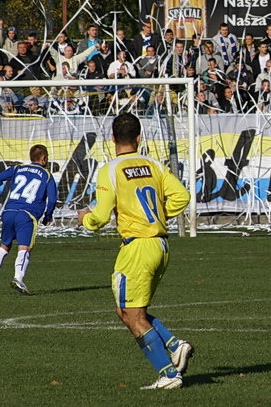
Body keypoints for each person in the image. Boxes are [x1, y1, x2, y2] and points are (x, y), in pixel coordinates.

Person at [77, 113, 193, 390]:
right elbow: (183, 197)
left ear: (112, 138)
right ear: (139, 138)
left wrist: (86, 220)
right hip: (161, 246)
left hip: (137, 247)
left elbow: (101, 214)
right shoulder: (154, 164)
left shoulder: (110, 169)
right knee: (125, 311)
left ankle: (168, 374)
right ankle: (175, 345)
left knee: (132, 315)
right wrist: (157, 216)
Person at [0, 144, 58, 295]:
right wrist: (48, 216)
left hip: (9, 212)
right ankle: (18, 278)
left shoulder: (17, 168)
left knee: (4, 246)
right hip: (27, 215)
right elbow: (53, 198)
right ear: (43, 158)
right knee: (25, 248)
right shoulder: (47, 175)